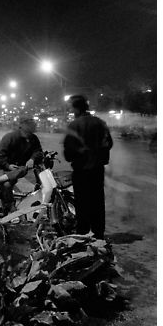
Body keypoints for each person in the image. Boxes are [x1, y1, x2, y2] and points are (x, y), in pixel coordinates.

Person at [63, 95, 113, 239]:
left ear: (76, 108)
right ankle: (98, 233)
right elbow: (109, 143)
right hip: (97, 170)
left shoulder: (75, 125)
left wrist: (80, 155)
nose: (70, 110)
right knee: (97, 201)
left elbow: (69, 152)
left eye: (71, 107)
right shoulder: (100, 123)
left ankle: (83, 234)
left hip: (81, 170)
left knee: (82, 203)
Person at [0, 117, 43, 215]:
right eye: (29, 127)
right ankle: (10, 206)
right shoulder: (10, 137)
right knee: (6, 185)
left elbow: (38, 151)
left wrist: (32, 159)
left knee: (23, 169)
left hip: (17, 169)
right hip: (0, 167)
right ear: (22, 127)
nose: (33, 127)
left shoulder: (33, 138)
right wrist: (8, 166)